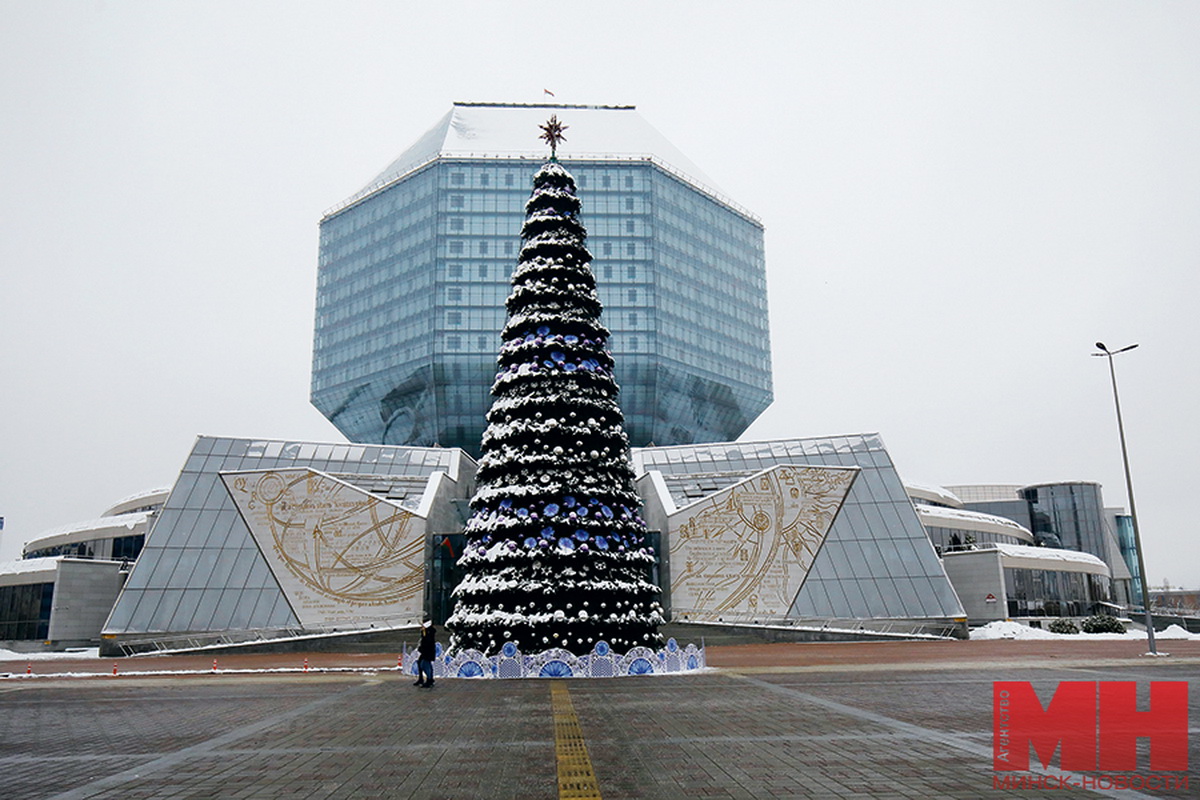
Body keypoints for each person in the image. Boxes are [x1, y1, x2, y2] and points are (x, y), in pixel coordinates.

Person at [415, 621, 436, 688]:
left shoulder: (429, 632)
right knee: (420, 663)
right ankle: (421, 679)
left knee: (425, 665)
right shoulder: (425, 632)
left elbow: (427, 642)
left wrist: (422, 648)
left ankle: (429, 680)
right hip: (425, 651)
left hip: (428, 651)